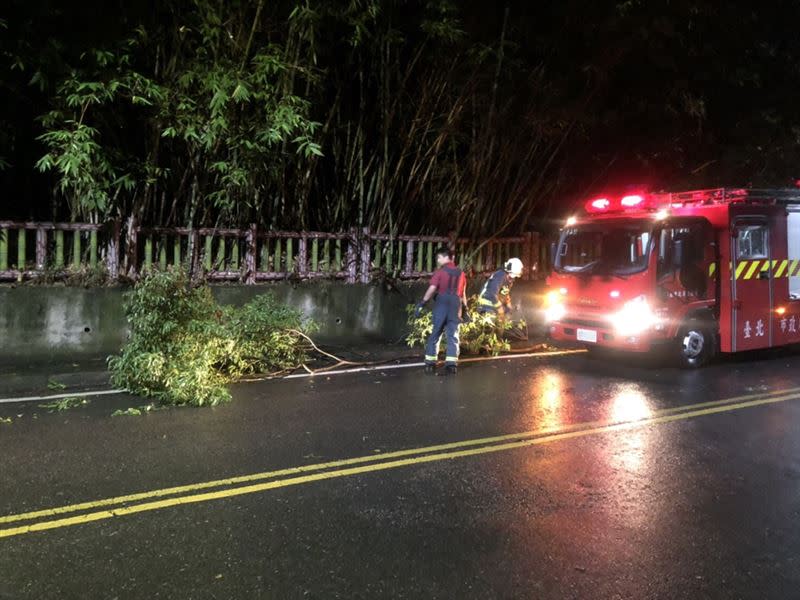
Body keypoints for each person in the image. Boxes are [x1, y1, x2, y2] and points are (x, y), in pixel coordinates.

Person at [414, 247, 468, 375]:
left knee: (435, 334)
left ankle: (430, 364)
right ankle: (451, 365)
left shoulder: (440, 272)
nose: (438, 260)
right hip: (455, 305)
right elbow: (463, 293)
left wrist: (422, 303)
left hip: (442, 304)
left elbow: (432, 289)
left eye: (439, 257)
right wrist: (465, 308)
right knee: (453, 336)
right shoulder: (461, 273)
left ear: (445, 257)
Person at [477, 258, 523, 323]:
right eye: (514, 274)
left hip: (494, 307)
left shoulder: (509, 279)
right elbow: (492, 294)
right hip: (486, 307)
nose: (514, 277)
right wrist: (500, 308)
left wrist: (508, 304)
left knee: (503, 322)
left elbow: (504, 292)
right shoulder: (500, 275)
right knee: (491, 327)